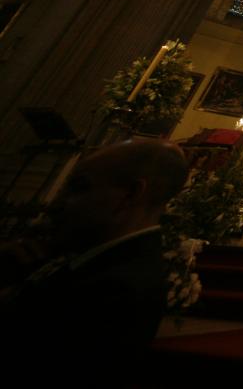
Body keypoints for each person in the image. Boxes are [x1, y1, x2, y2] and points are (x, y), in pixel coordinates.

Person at [0, 139, 188, 380]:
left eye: (79, 187)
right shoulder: (97, 258)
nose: (56, 203)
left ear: (130, 194)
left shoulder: (118, 288)